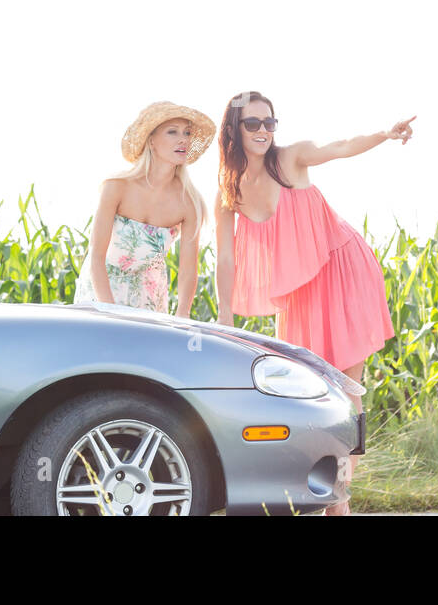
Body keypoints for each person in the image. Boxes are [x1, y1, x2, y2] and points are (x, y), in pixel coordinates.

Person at [214, 90, 413, 514]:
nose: (264, 131)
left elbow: (338, 148)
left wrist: (385, 133)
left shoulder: (290, 158)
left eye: (270, 122)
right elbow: (226, 257)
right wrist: (225, 313)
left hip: (343, 268)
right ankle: (326, 492)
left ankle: (338, 497)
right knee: (307, 393)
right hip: (300, 294)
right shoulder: (229, 191)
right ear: (234, 129)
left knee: (345, 389)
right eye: (253, 123)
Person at [73, 101, 216, 316]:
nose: (183, 139)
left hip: (149, 300)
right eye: (172, 132)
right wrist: (109, 311)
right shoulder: (116, 187)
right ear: (151, 141)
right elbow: (96, 256)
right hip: (101, 292)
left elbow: (188, 271)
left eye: (187, 133)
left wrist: (182, 314)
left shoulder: (190, 202)